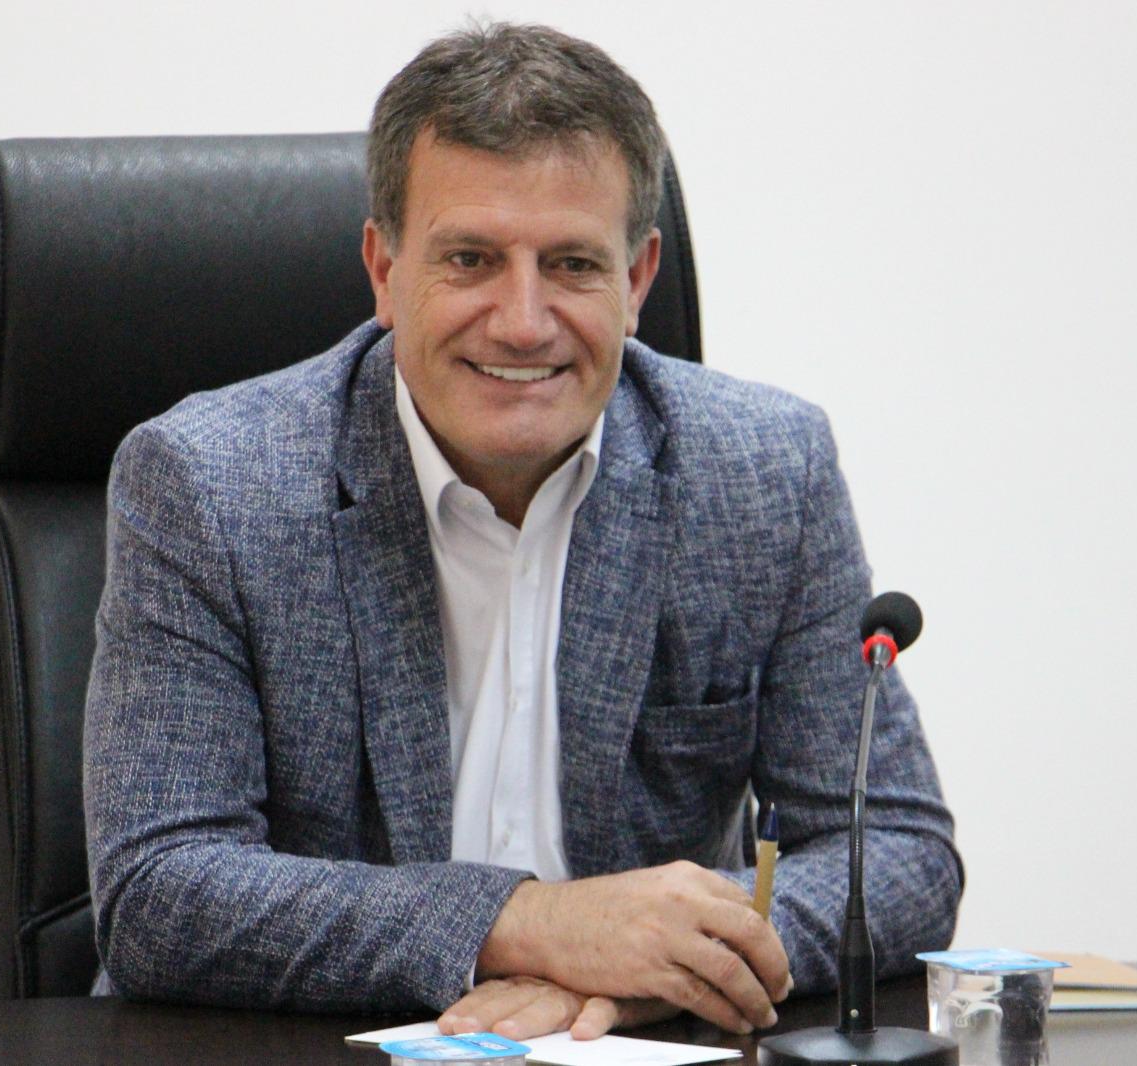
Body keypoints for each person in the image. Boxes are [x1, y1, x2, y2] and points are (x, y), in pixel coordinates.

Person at [83, 21, 961, 1042]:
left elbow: (897, 852)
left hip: (629, 1051)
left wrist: (656, 968)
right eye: (470, 259)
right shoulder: (209, 483)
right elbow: (159, 890)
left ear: (637, 281)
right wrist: (530, 924)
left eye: (573, 264)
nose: (523, 321)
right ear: (383, 268)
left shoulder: (763, 471)